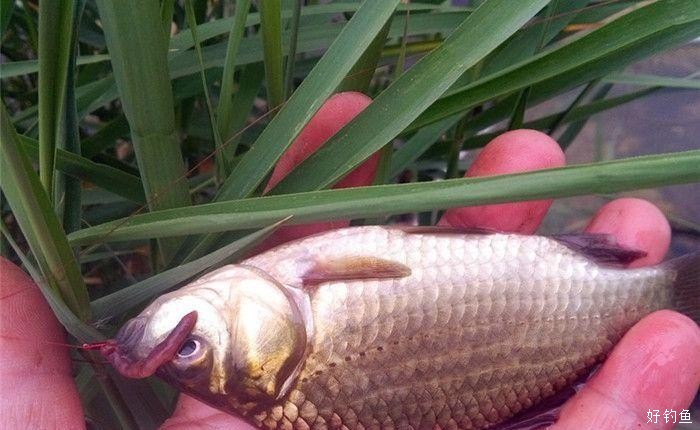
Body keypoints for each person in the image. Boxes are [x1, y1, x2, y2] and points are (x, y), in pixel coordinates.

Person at [1, 93, 698, 430]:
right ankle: (675, 294)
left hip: (539, 311)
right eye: (192, 350)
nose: (180, 341)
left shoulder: (290, 335)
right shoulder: (295, 304)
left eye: (190, 349)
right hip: (539, 310)